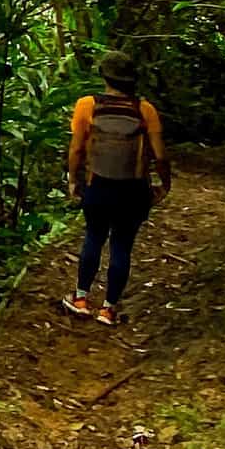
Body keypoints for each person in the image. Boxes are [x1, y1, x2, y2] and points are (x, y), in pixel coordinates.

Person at [61, 49, 171, 326]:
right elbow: (160, 155)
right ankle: (108, 309)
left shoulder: (87, 106)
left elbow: (76, 150)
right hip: (133, 191)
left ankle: (81, 299)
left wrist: (73, 179)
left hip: (98, 186)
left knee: (94, 237)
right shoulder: (145, 110)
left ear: (104, 77)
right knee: (122, 245)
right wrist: (164, 184)